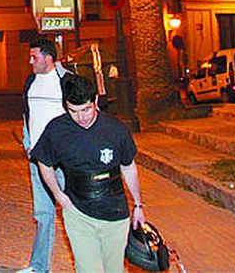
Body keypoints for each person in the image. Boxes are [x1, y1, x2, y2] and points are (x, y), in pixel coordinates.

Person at [29, 74, 146, 273]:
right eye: (74, 111)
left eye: (86, 109)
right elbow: (44, 162)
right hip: (78, 212)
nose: (81, 117)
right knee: (88, 269)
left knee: (115, 269)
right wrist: (59, 196)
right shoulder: (57, 130)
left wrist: (138, 205)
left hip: (115, 212)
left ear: (96, 101)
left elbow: (128, 167)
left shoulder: (116, 130)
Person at [20, 37, 69, 273]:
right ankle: (39, 267)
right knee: (43, 214)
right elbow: (26, 113)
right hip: (38, 161)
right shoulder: (31, 81)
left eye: (34, 57)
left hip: (64, 162)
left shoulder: (66, 81)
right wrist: (28, 142)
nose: (30, 61)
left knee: (74, 212)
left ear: (48, 58)